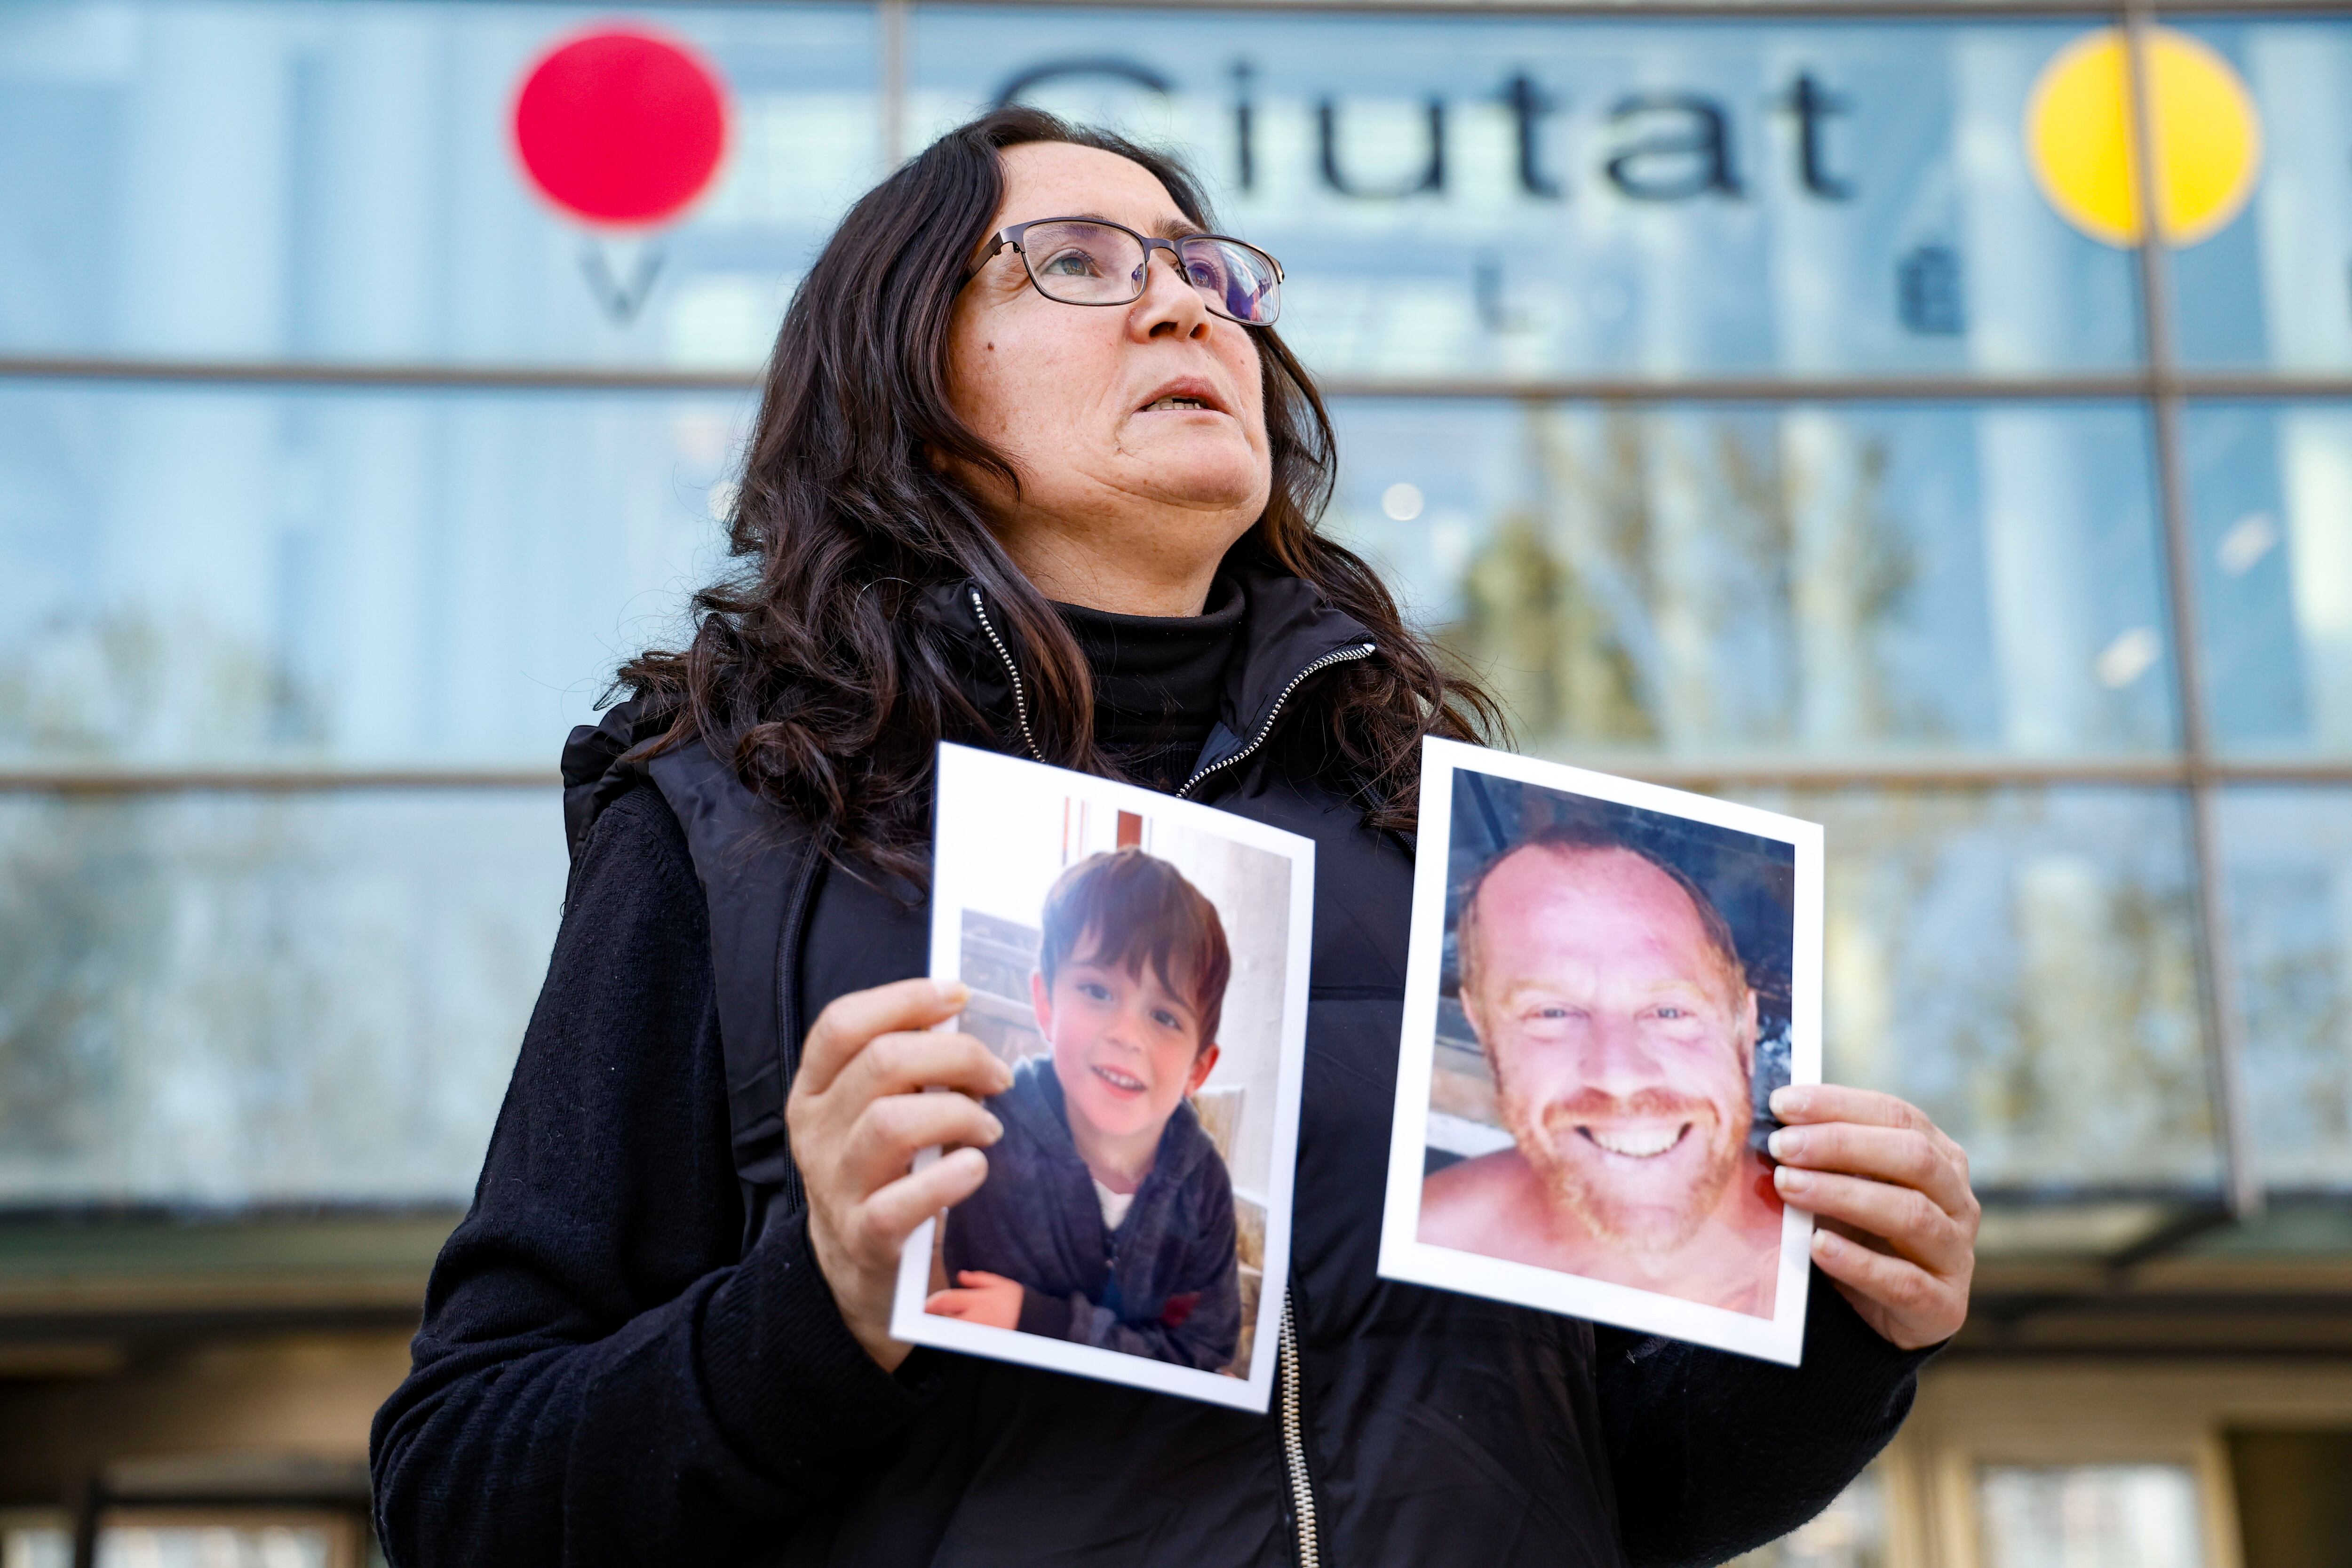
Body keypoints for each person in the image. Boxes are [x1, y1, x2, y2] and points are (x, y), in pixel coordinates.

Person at [370, 106, 1982, 1568]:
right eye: (1077, 262)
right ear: (910, 392)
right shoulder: (727, 829)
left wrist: (1841, 1328)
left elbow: (1618, 1486)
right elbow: (460, 1492)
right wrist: (817, 1314)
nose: (1182, 299)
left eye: (1205, 268)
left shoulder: (1438, 844)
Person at [1421, 824, 1789, 1316]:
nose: (1618, 1078)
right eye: (1551, 1012)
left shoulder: (1830, 1265)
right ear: (1482, 1029)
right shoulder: (1426, 1246)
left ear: (1742, 1031)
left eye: (1668, 1011)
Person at [926, 846, 1241, 1371]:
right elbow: (983, 1331)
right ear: (1045, 1005)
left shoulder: (1204, 1186)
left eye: (1164, 1017)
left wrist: (1042, 1322)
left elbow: (1202, 1350)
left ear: (1197, 1071)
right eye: (1097, 990)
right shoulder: (994, 1141)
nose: (1126, 1035)